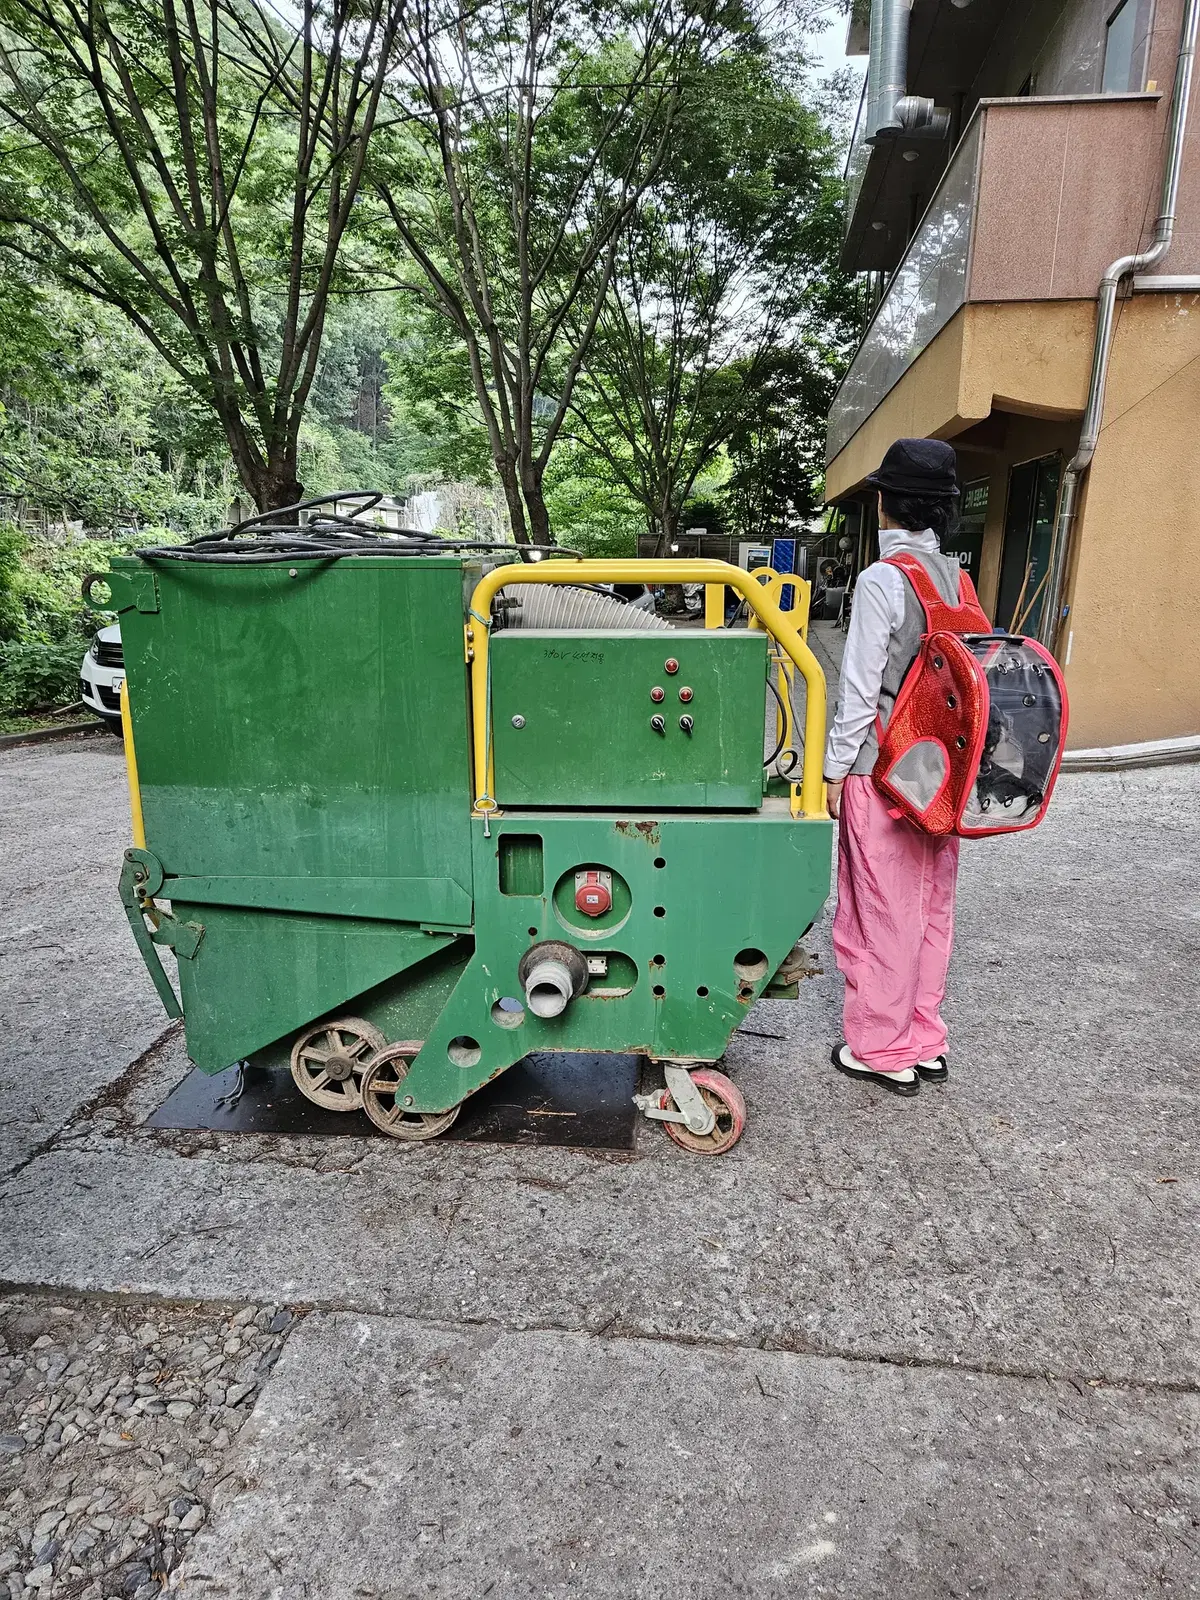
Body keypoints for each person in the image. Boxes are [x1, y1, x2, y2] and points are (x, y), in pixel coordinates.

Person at [823, 438, 968, 1099]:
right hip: (940, 774)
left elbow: (858, 691)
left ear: (885, 503)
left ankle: (880, 1048)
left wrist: (833, 768)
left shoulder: (885, 580)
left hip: (882, 770)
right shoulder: (956, 578)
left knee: (879, 910)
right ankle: (923, 1039)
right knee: (930, 906)